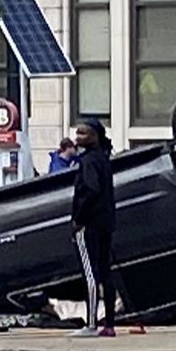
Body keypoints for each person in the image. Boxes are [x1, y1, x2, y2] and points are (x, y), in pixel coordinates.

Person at [69, 118, 117, 338]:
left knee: (90, 273)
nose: (78, 137)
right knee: (106, 271)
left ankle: (90, 324)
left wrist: (79, 218)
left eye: (84, 133)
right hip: (107, 221)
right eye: (77, 133)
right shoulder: (104, 159)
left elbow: (91, 189)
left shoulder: (88, 161)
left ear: (95, 136)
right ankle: (109, 323)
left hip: (89, 223)